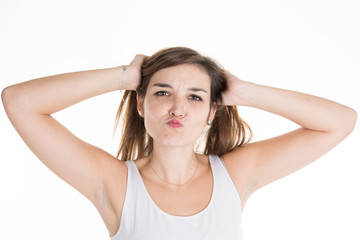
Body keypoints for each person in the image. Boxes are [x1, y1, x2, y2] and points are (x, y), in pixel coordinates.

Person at [1, 47, 357, 240]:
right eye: (162, 92)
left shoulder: (235, 173)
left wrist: (245, 92)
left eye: (196, 97)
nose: (177, 108)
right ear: (140, 104)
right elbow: (18, 101)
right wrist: (123, 76)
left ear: (212, 112)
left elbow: (340, 122)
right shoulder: (113, 181)